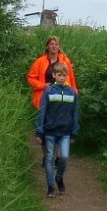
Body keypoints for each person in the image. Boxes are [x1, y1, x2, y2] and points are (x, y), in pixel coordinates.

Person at [35, 62, 79, 198]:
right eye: (59, 74)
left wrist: (74, 132)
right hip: (49, 131)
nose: (62, 77)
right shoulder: (48, 91)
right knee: (49, 158)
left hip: (65, 132)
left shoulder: (72, 93)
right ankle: (50, 187)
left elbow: (75, 113)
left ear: (67, 75)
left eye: (64, 75)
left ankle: (58, 178)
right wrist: (39, 131)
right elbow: (42, 111)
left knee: (64, 157)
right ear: (54, 75)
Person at [27, 36, 79, 109]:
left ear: (59, 47)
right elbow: (31, 78)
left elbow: (71, 78)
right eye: (51, 44)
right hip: (45, 95)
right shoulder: (39, 62)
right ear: (47, 46)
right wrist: (43, 86)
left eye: (56, 44)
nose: (54, 46)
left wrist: (74, 92)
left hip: (62, 96)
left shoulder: (65, 61)